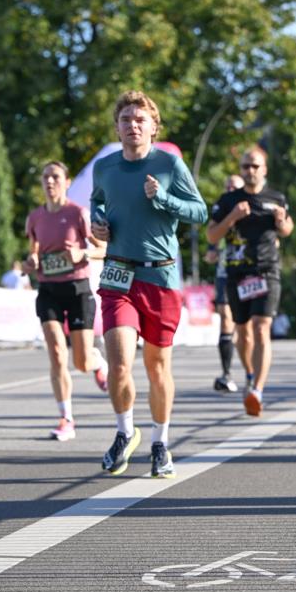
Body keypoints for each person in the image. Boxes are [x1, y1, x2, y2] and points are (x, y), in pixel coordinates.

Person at [91, 91, 207, 477]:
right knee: (119, 362)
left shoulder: (169, 164)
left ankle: (160, 441)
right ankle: (125, 432)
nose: (133, 125)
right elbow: (97, 202)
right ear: (117, 127)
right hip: (118, 274)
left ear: (154, 127)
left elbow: (200, 212)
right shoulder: (105, 167)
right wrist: (98, 222)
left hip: (160, 275)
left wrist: (166, 200)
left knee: (157, 368)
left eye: (140, 119)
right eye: (126, 119)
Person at [24, 161, 109, 442]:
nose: (50, 181)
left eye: (56, 177)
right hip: (48, 288)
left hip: (77, 289)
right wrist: (31, 261)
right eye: (46, 177)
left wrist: (82, 254)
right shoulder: (35, 217)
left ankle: (98, 364)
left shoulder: (78, 214)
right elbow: (33, 252)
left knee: (81, 361)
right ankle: (66, 419)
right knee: (57, 355)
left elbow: (102, 248)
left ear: (67, 181)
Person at [207, 146, 293, 416]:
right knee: (242, 333)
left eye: (255, 166)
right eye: (246, 166)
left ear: (264, 169)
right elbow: (211, 236)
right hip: (237, 274)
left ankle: (257, 389)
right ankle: (250, 372)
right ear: (241, 169)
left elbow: (288, 229)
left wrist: (281, 222)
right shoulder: (229, 199)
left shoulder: (276, 197)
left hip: (267, 271)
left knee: (261, 327)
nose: (250, 171)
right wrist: (232, 217)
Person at [205, 173, 245, 392]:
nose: (231, 190)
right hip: (225, 270)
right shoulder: (221, 207)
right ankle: (226, 374)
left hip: (249, 272)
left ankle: (250, 371)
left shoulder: (251, 206)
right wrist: (211, 252)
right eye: (228, 186)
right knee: (226, 317)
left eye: (235, 187)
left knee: (245, 325)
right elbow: (212, 234)